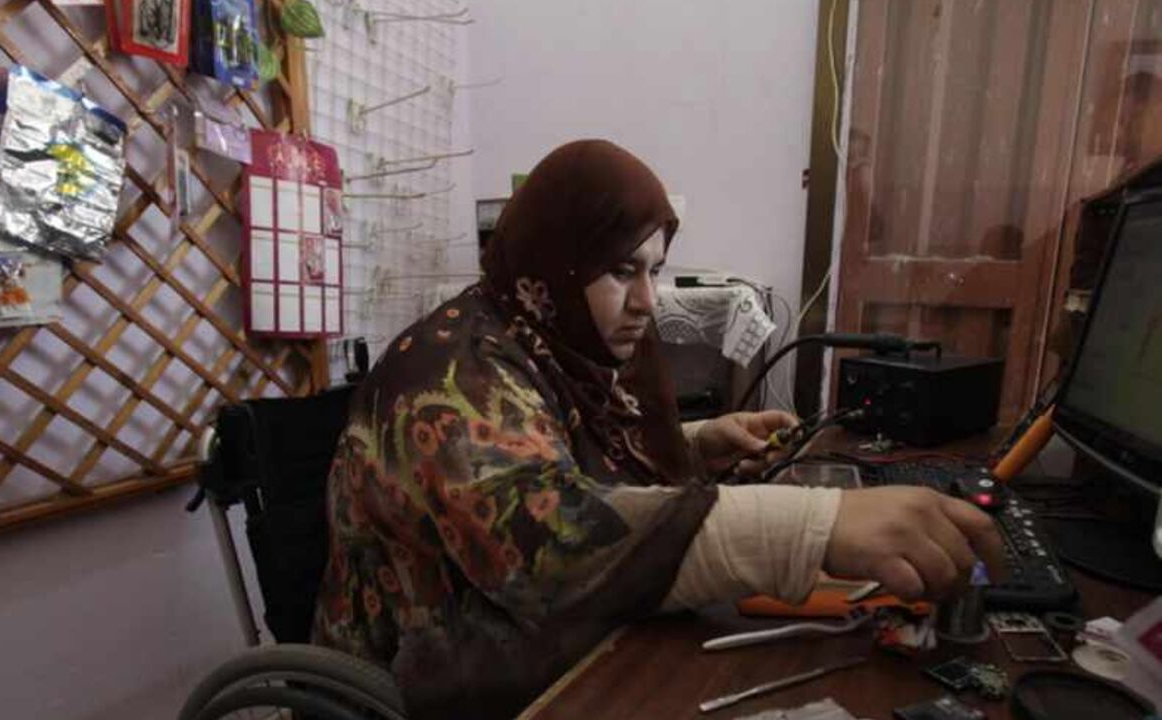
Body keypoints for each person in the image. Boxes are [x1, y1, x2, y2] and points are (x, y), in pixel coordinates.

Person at [312, 140, 1006, 719]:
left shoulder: (539, 338)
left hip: (516, 648)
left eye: (655, 271)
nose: (647, 300)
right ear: (556, 262)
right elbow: (553, 549)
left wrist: (698, 444)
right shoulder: (451, 380)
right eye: (622, 271)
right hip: (419, 688)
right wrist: (816, 527)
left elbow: (546, 450)